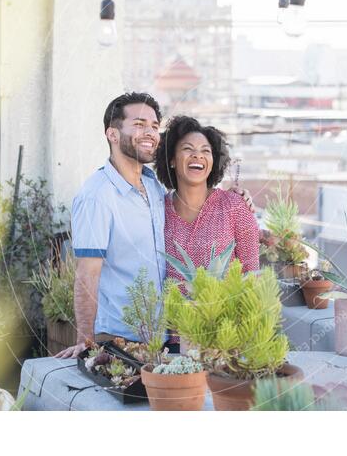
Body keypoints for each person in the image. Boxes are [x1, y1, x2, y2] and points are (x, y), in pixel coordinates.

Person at [55, 94, 253, 359]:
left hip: (164, 339)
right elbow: (87, 273)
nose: (149, 132)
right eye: (138, 124)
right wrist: (84, 340)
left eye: (153, 126)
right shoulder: (97, 197)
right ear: (112, 134)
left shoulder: (154, 189)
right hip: (120, 339)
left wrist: (240, 206)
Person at [155, 115, 259, 293]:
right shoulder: (158, 210)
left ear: (213, 161)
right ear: (172, 160)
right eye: (188, 149)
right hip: (173, 318)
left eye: (206, 151)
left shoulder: (235, 206)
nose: (198, 155)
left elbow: (252, 276)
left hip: (225, 317)